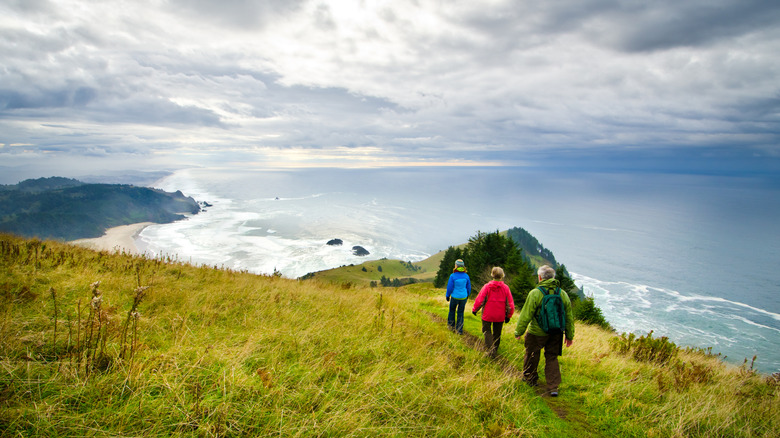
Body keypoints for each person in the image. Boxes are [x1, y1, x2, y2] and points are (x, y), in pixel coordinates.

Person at [514, 265, 575, 397]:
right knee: (552, 358)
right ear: (553, 278)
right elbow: (569, 317)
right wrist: (569, 335)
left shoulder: (535, 293)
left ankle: (530, 379)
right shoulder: (562, 294)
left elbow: (526, 315)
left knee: (532, 354)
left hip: (536, 332)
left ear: (540, 277)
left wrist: (518, 332)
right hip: (556, 333)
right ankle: (553, 387)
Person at [471, 267, 515, 357]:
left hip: (487, 314)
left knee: (487, 331)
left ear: (492, 275)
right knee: (497, 333)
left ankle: (491, 351)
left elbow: (480, 300)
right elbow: (510, 304)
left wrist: (475, 309)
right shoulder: (506, 288)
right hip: (500, 315)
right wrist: (508, 315)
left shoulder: (487, 287)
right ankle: (494, 350)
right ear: (502, 276)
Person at [446, 259, 471, 334]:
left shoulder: (452, 276)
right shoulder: (466, 276)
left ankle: (451, 327)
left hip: (454, 297)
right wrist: (467, 295)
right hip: (463, 297)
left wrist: (447, 295)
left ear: (456, 266)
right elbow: (468, 287)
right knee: (460, 312)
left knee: (452, 311)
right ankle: (459, 330)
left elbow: (450, 287)